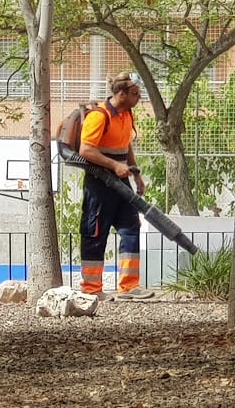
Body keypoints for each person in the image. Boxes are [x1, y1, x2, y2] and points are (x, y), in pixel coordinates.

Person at [78, 72, 154, 301]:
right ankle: (91, 289)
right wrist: (113, 165)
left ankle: (129, 287)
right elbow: (86, 150)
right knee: (95, 233)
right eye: (135, 94)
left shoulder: (126, 115)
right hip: (99, 183)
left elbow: (126, 145)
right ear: (121, 94)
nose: (138, 98)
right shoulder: (99, 116)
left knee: (131, 227)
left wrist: (136, 174)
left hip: (121, 182)